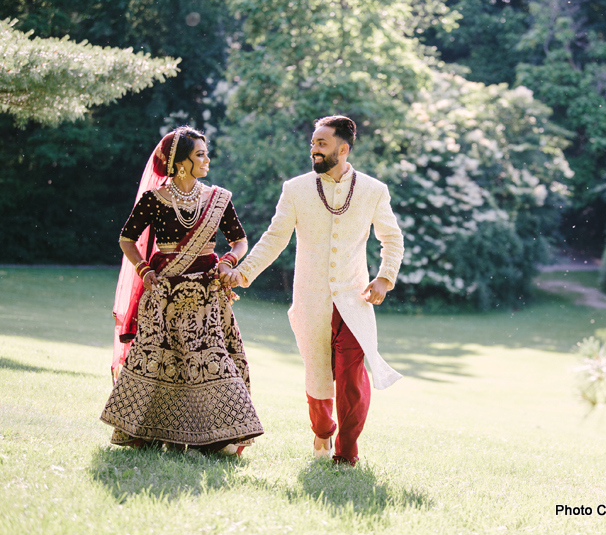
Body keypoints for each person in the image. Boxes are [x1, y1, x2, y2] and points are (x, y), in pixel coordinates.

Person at [222, 115, 404, 465]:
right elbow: (274, 239)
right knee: (318, 377)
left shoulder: (373, 190)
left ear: (343, 148)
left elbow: (392, 238)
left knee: (352, 381)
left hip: (354, 302)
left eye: (321, 143)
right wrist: (242, 273)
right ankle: (323, 431)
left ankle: (346, 453)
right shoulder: (296, 189)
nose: (314, 149)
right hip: (310, 302)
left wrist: (385, 277)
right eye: (313, 143)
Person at [100, 126, 264, 455]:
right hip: (164, 294)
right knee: (164, 363)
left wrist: (228, 261)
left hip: (207, 294)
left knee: (213, 362)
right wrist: (143, 269)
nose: (207, 159)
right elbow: (126, 239)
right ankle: (153, 432)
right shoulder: (155, 199)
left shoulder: (218, 198)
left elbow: (240, 240)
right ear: (180, 162)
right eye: (200, 154)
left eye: (206, 153)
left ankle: (220, 438)